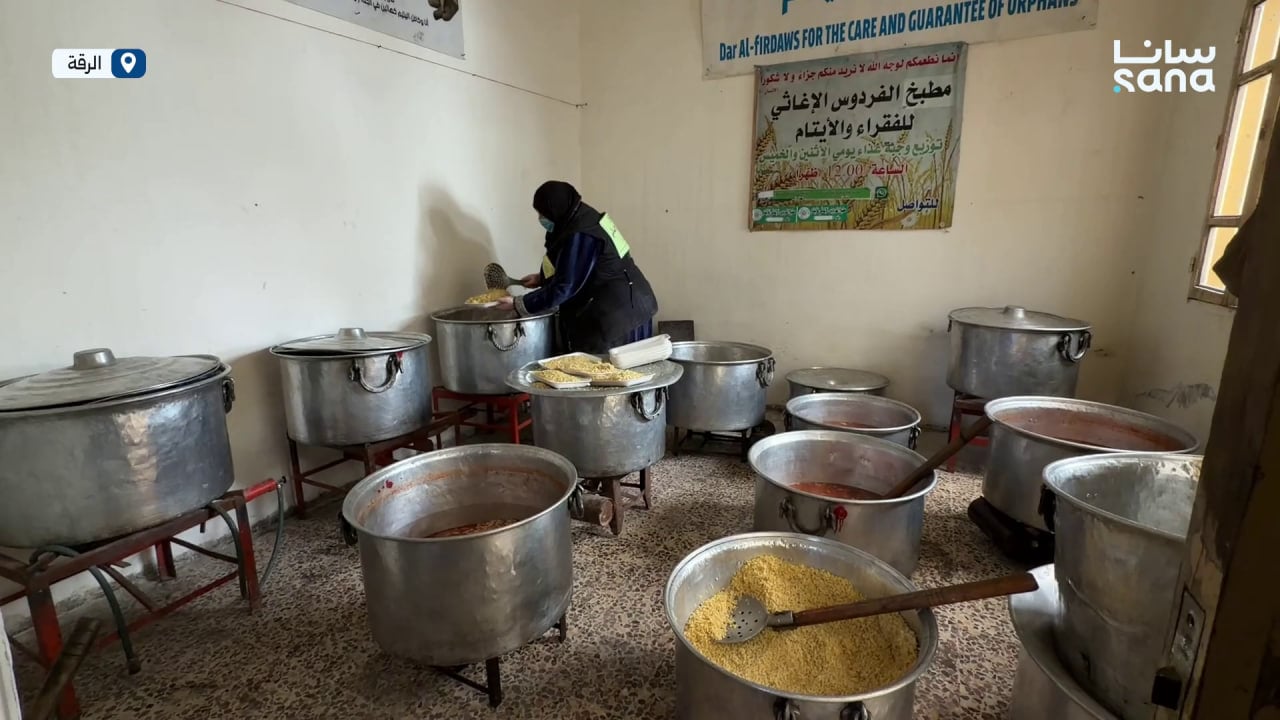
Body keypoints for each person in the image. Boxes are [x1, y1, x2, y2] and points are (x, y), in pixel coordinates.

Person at [493, 181, 658, 354]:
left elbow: (565, 287)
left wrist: (519, 303)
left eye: (542, 213)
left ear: (555, 209)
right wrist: (542, 278)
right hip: (632, 303)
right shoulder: (580, 217)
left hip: (619, 314)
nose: (540, 218)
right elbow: (580, 266)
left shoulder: (582, 233)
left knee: (609, 368)